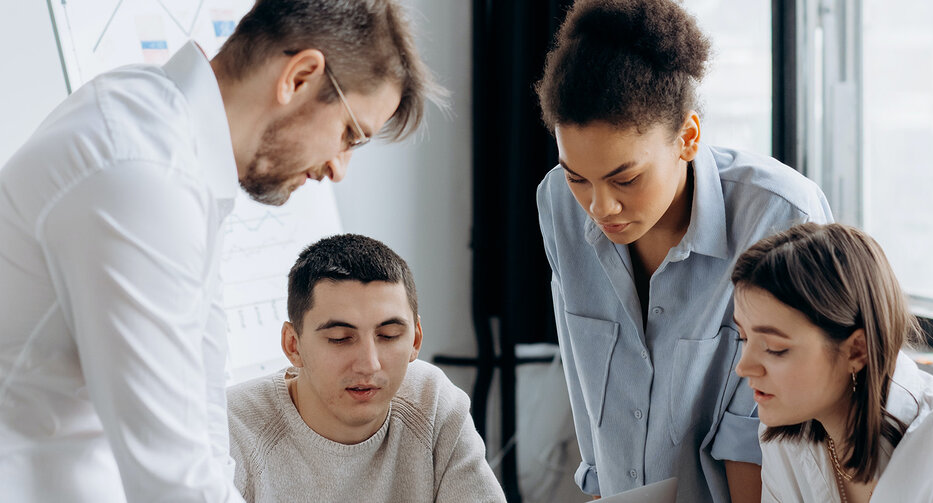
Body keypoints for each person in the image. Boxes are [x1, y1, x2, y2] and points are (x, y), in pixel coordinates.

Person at [0, 1, 441, 501]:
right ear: (299, 77)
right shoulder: (142, 174)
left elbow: (203, 424)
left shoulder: (170, 143)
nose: (338, 168)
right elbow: (174, 478)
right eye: (348, 134)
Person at [534, 0, 834, 500]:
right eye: (577, 177)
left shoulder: (781, 217)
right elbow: (593, 410)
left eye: (625, 177)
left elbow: (763, 434)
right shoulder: (557, 204)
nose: (599, 206)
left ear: (688, 137)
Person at [733, 222, 933, 502]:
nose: (744, 367)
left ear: (857, 351)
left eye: (775, 348)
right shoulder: (786, 436)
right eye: (742, 338)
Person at [226, 234, 504, 502]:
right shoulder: (231, 429)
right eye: (340, 339)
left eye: (389, 335)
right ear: (293, 345)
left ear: (415, 339)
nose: (369, 364)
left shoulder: (433, 405)